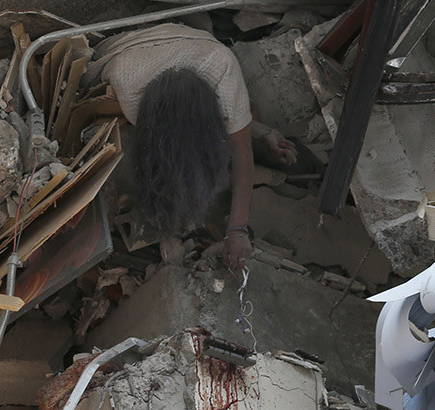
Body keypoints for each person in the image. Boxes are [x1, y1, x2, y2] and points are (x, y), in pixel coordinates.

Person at [90, 23, 297, 270]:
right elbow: (162, 148)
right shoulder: (128, 80)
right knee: (164, 165)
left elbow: (243, 151)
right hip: (129, 44)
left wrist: (237, 230)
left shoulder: (222, 66)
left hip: (192, 38)